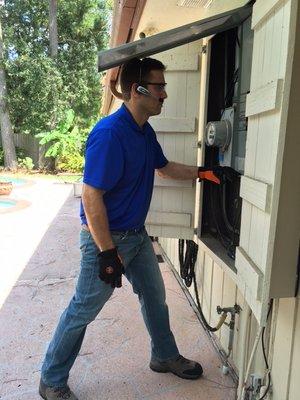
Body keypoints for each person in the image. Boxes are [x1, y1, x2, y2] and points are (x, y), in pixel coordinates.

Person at [39, 57, 222, 400]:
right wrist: (107, 252)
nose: (165, 94)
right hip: (106, 241)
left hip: (136, 236)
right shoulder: (109, 134)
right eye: (159, 87)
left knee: (155, 298)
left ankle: (164, 356)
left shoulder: (143, 131)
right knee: (84, 309)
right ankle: (51, 379)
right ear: (138, 90)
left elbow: (163, 168)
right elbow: (91, 197)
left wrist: (201, 172)